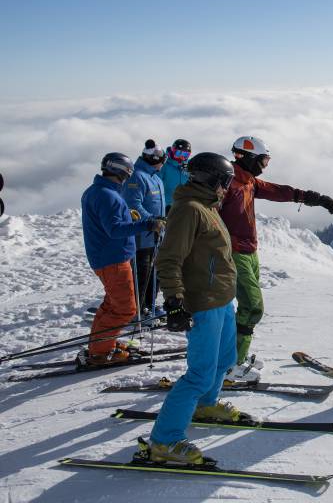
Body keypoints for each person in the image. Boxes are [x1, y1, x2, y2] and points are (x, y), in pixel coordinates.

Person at [219, 136, 333, 381]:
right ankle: (230, 366)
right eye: (264, 160)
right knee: (252, 307)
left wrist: (316, 198)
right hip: (234, 252)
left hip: (249, 250)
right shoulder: (229, 183)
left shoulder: (248, 181)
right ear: (250, 157)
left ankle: (234, 357)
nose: (265, 165)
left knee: (245, 307)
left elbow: (279, 192)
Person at [148, 152, 243, 464]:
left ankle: (205, 404)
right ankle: (165, 440)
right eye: (226, 181)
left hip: (222, 300)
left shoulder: (207, 207)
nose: (228, 187)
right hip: (203, 303)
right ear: (213, 180)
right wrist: (174, 302)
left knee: (225, 359)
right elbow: (169, 258)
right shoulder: (189, 210)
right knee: (200, 373)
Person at [81, 153, 162, 365]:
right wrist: (148, 224)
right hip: (113, 258)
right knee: (125, 309)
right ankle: (100, 353)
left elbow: (110, 221)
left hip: (105, 256)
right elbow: (115, 230)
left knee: (112, 304)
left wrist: (129, 216)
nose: (128, 177)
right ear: (122, 171)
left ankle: (102, 344)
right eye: (128, 173)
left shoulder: (97, 191)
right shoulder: (108, 195)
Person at [122, 140, 166, 316]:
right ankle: (136, 309)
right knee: (142, 270)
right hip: (143, 232)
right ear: (156, 159)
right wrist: (152, 220)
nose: (164, 163)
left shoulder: (154, 176)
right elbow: (133, 205)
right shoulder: (137, 176)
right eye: (163, 159)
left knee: (153, 272)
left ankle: (148, 305)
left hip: (155, 232)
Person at [159, 139, 191, 214]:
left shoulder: (189, 167)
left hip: (183, 208)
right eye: (178, 153)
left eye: (185, 155)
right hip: (165, 208)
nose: (181, 157)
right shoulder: (164, 164)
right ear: (173, 151)